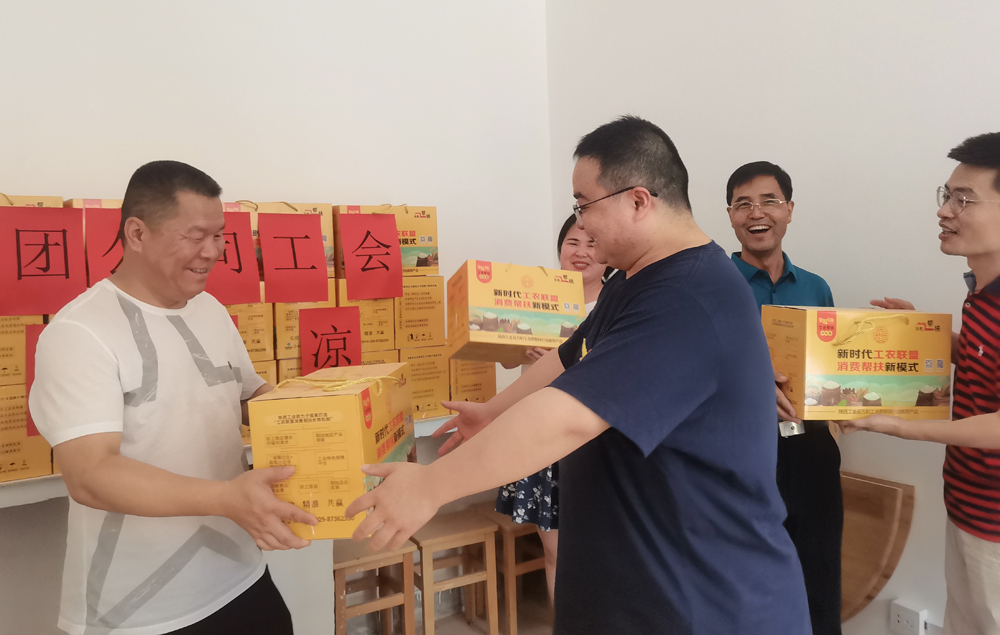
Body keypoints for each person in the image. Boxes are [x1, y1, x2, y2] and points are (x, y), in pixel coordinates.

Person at [346, 116, 811, 634]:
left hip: (704, 603)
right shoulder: (634, 280)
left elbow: (568, 416)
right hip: (633, 589)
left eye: (583, 204)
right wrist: (493, 412)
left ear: (638, 201)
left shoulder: (689, 297)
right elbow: (570, 355)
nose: (581, 225)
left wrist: (431, 486)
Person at [29, 161, 317, 635]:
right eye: (195, 236)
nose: (213, 251)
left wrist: (329, 413)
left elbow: (247, 397)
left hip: (238, 571)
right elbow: (91, 475)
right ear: (137, 233)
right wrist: (226, 498)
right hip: (138, 608)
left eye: (219, 236)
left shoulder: (210, 308)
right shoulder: (79, 332)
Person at [839, 132, 1000, 635]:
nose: (944, 211)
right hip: (969, 506)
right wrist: (924, 336)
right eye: (947, 195)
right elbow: (985, 360)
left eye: (964, 200)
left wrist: (900, 426)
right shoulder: (982, 290)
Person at [726, 161, 842, 635]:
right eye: (743, 204)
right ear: (730, 216)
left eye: (769, 201)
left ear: (789, 209)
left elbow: (831, 368)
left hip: (810, 448)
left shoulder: (816, 287)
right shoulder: (713, 284)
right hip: (738, 450)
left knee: (819, 573)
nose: (757, 213)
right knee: (744, 578)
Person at [487, 215, 608, 605]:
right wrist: (521, 347)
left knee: (601, 554)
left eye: (592, 243)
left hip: (594, 442)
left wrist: (564, 361)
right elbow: (505, 359)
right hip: (539, 439)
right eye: (573, 242)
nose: (581, 252)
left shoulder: (615, 303)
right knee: (557, 553)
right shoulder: (537, 297)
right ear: (560, 248)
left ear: (608, 251)